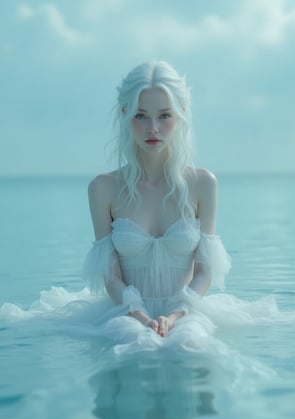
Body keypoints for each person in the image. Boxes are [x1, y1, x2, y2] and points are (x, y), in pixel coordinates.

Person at [83, 61, 231, 342]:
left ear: (181, 114)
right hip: (126, 314)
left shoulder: (203, 184)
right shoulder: (103, 188)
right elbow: (110, 276)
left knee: (189, 347)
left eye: (164, 116)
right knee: (138, 345)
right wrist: (142, 317)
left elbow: (204, 271)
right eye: (141, 116)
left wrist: (175, 316)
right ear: (125, 114)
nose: (153, 128)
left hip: (186, 313)